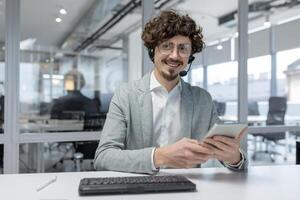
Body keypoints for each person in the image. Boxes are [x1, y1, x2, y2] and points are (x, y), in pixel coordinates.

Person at [94, 10, 247, 174]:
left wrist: (234, 158)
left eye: (183, 48)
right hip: (140, 187)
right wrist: (159, 156)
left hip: (189, 188)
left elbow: (233, 160)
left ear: (190, 56)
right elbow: (103, 157)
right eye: (167, 46)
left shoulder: (202, 99)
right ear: (153, 51)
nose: (175, 55)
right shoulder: (126, 94)